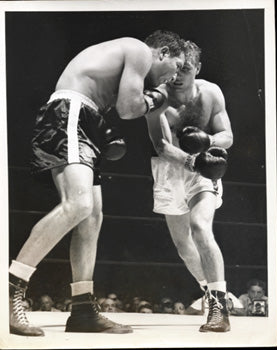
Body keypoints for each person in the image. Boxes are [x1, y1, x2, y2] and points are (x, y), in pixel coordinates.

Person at [9, 30, 186, 336]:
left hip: (85, 118)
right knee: (78, 204)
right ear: (164, 53)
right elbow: (128, 108)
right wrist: (156, 97)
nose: (173, 76)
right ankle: (10, 286)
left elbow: (129, 110)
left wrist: (154, 102)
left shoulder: (128, 62)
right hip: (72, 110)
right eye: (175, 67)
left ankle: (82, 310)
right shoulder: (139, 51)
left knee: (92, 216)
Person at [145, 40, 233, 332]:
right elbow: (162, 147)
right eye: (176, 68)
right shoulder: (158, 98)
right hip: (172, 169)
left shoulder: (210, 93)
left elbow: (227, 135)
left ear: (198, 68)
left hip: (202, 169)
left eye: (186, 69)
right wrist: (192, 160)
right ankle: (209, 290)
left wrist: (207, 142)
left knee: (200, 227)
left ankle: (219, 309)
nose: (178, 75)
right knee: (184, 247)